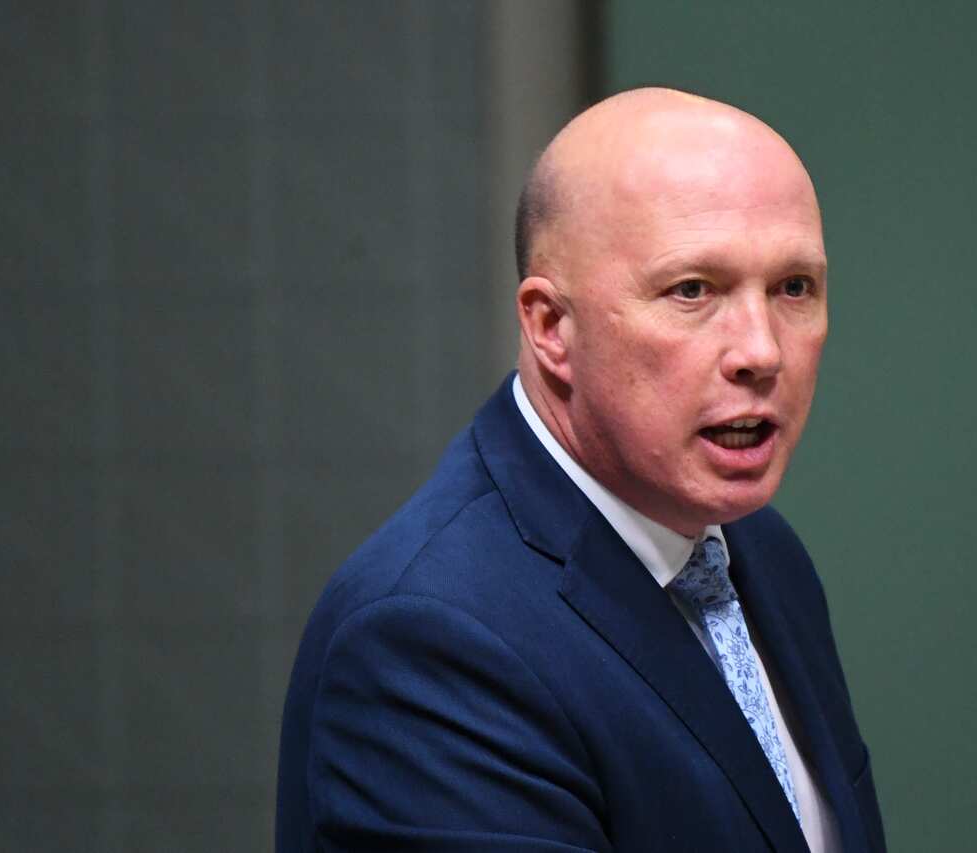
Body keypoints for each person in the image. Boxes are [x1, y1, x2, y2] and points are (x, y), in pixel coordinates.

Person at [276, 87, 886, 852]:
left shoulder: (760, 553)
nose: (762, 351)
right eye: (693, 290)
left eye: (793, 287)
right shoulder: (429, 639)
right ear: (551, 327)